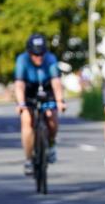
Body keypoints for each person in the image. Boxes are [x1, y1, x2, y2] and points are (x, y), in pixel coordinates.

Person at [14, 33, 66, 176]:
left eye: (41, 54)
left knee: (52, 117)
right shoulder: (22, 60)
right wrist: (21, 103)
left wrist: (60, 101)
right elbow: (19, 85)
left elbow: (56, 82)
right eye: (35, 55)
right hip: (29, 90)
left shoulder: (50, 59)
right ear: (29, 52)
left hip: (46, 88)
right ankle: (29, 159)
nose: (39, 57)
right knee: (27, 120)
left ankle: (51, 144)